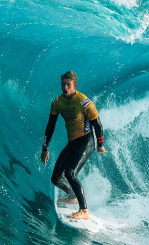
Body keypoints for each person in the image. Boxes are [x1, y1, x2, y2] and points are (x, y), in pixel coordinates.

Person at [41, 70, 106, 220]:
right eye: (63, 84)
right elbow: (50, 125)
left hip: (86, 141)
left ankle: (84, 211)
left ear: (74, 85)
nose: (65, 87)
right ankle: (72, 195)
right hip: (72, 143)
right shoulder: (57, 102)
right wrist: (45, 148)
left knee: (70, 173)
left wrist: (100, 145)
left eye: (68, 84)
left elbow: (98, 125)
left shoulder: (84, 101)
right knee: (56, 178)